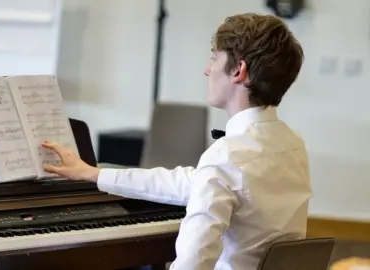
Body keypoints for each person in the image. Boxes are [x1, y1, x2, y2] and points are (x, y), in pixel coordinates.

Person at [42, 13, 312, 270]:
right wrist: (94, 174)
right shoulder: (291, 143)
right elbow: (187, 183)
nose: (207, 70)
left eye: (214, 58)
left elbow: (194, 259)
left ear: (238, 70)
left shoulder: (228, 155)